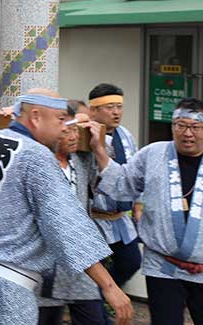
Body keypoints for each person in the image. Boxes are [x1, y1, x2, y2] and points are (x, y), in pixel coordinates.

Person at [0, 90, 132, 325]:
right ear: (36, 116)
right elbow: (65, 224)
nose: (65, 127)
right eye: (60, 119)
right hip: (10, 286)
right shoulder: (36, 156)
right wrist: (108, 285)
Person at [91, 97, 203, 324]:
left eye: (195, 127)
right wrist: (99, 151)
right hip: (163, 265)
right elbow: (122, 183)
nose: (187, 134)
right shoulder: (153, 154)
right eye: (180, 126)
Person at [37, 103, 108, 325]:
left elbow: (107, 176)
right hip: (47, 259)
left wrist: (94, 138)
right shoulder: (39, 161)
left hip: (81, 258)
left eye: (76, 130)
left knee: (93, 317)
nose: (73, 136)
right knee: (46, 318)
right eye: (67, 130)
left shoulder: (82, 161)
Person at [88, 83, 141, 287]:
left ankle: (105, 296)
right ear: (94, 109)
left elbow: (134, 171)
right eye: (110, 107)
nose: (116, 112)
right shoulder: (85, 135)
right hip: (93, 217)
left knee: (131, 262)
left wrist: (137, 206)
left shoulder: (125, 134)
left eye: (119, 107)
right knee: (93, 270)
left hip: (120, 217)